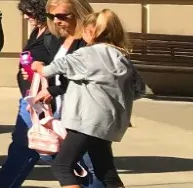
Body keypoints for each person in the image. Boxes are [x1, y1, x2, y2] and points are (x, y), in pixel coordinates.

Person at [0, 0, 105, 188]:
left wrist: (49, 83)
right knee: (30, 147)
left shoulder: (82, 40)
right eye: (53, 16)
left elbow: (81, 73)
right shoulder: (54, 35)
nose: (56, 21)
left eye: (61, 16)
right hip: (40, 101)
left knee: (82, 162)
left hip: (71, 106)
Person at [42, 10, 143, 188]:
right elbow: (139, 90)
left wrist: (36, 66)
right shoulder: (123, 58)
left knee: (62, 166)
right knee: (106, 171)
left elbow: (50, 70)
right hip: (109, 123)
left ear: (90, 31)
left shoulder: (85, 55)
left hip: (85, 120)